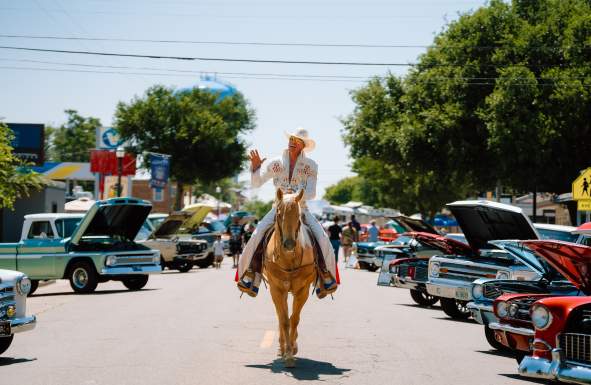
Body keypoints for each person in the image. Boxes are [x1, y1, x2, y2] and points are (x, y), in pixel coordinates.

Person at [237, 128, 338, 298]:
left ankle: (324, 278)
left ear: (303, 145)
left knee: (323, 239)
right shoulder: (275, 162)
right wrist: (255, 168)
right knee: (256, 236)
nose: (292, 141)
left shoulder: (311, 165)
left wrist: (293, 196)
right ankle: (250, 276)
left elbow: (312, 192)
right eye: (291, 138)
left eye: (296, 140)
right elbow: (256, 184)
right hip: (278, 208)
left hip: (301, 209)